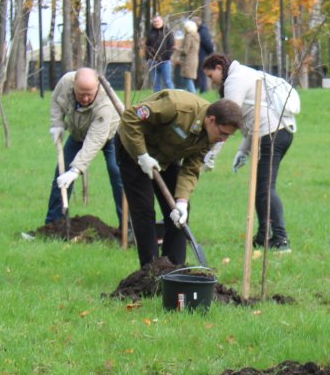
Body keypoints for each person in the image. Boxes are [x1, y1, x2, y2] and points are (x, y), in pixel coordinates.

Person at [115, 90, 241, 266]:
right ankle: (151, 270)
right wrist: (142, 155)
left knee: (180, 211)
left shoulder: (212, 136)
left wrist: (181, 200)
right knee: (144, 211)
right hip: (133, 149)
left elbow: (192, 167)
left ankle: (174, 267)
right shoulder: (177, 107)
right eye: (223, 133)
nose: (224, 139)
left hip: (167, 156)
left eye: (228, 135)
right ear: (211, 120)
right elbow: (130, 117)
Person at [201, 54, 300, 253]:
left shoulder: (235, 80)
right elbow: (254, 118)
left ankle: (280, 239)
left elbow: (228, 120)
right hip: (276, 131)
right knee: (260, 187)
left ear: (220, 68)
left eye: (212, 76)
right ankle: (264, 236)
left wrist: (212, 153)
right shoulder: (245, 74)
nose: (212, 82)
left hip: (272, 134)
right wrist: (242, 151)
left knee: (265, 188)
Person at [46, 67, 122, 227]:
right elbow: (55, 100)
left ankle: (129, 228)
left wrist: (76, 170)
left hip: (112, 134)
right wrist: (57, 124)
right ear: (74, 85)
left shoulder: (104, 103)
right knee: (61, 174)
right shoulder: (66, 82)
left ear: (97, 88)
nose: (86, 98)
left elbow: (95, 140)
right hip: (78, 132)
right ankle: (53, 225)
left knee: (117, 172)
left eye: (90, 94)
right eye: (82, 94)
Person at [144, 15, 175, 92]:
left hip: (165, 61)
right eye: (155, 21)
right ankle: (157, 99)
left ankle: (173, 97)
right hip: (153, 61)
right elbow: (147, 46)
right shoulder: (150, 33)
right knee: (156, 83)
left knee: (167, 81)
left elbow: (171, 46)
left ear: (162, 22)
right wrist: (148, 58)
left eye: (158, 21)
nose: (156, 23)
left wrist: (166, 57)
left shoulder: (168, 32)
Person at [176, 19, 201, 94]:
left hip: (188, 61)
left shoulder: (189, 37)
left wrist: (177, 49)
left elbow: (185, 51)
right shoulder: (197, 36)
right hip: (194, 60)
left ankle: (194, 98)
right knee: (189, 79)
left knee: (188, 80)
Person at [194, 20, 215, 93]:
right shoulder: (201, 31)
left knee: (201, 72)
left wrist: (211, 53)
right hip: (201, 55)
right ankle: (201, 89)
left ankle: (203, 89)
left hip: (202, 55)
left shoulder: (202, 32)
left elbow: (208, 44)